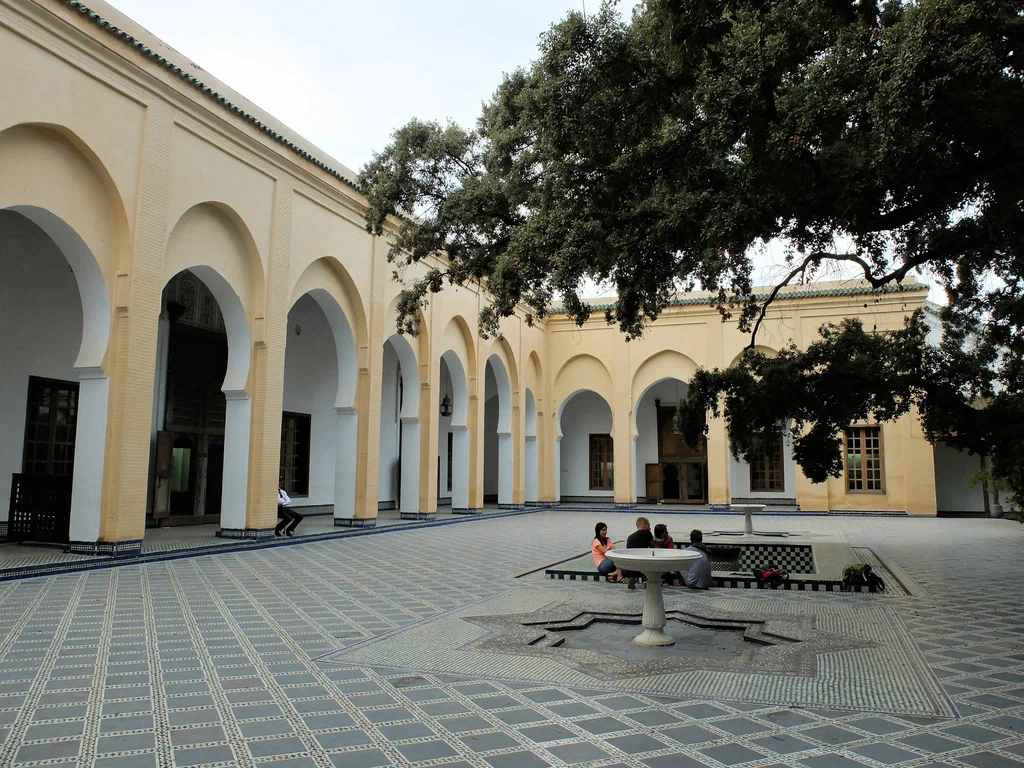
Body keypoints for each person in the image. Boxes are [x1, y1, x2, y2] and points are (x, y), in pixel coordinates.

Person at [624, 517, 654, 590]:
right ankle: (648, 580)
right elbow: (653, 547)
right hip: (643, 567)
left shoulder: (630, 537)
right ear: (644, 525)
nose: (650, 528)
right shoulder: (647, 533)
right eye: (648, 526)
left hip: (630, 568)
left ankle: (632, 578)